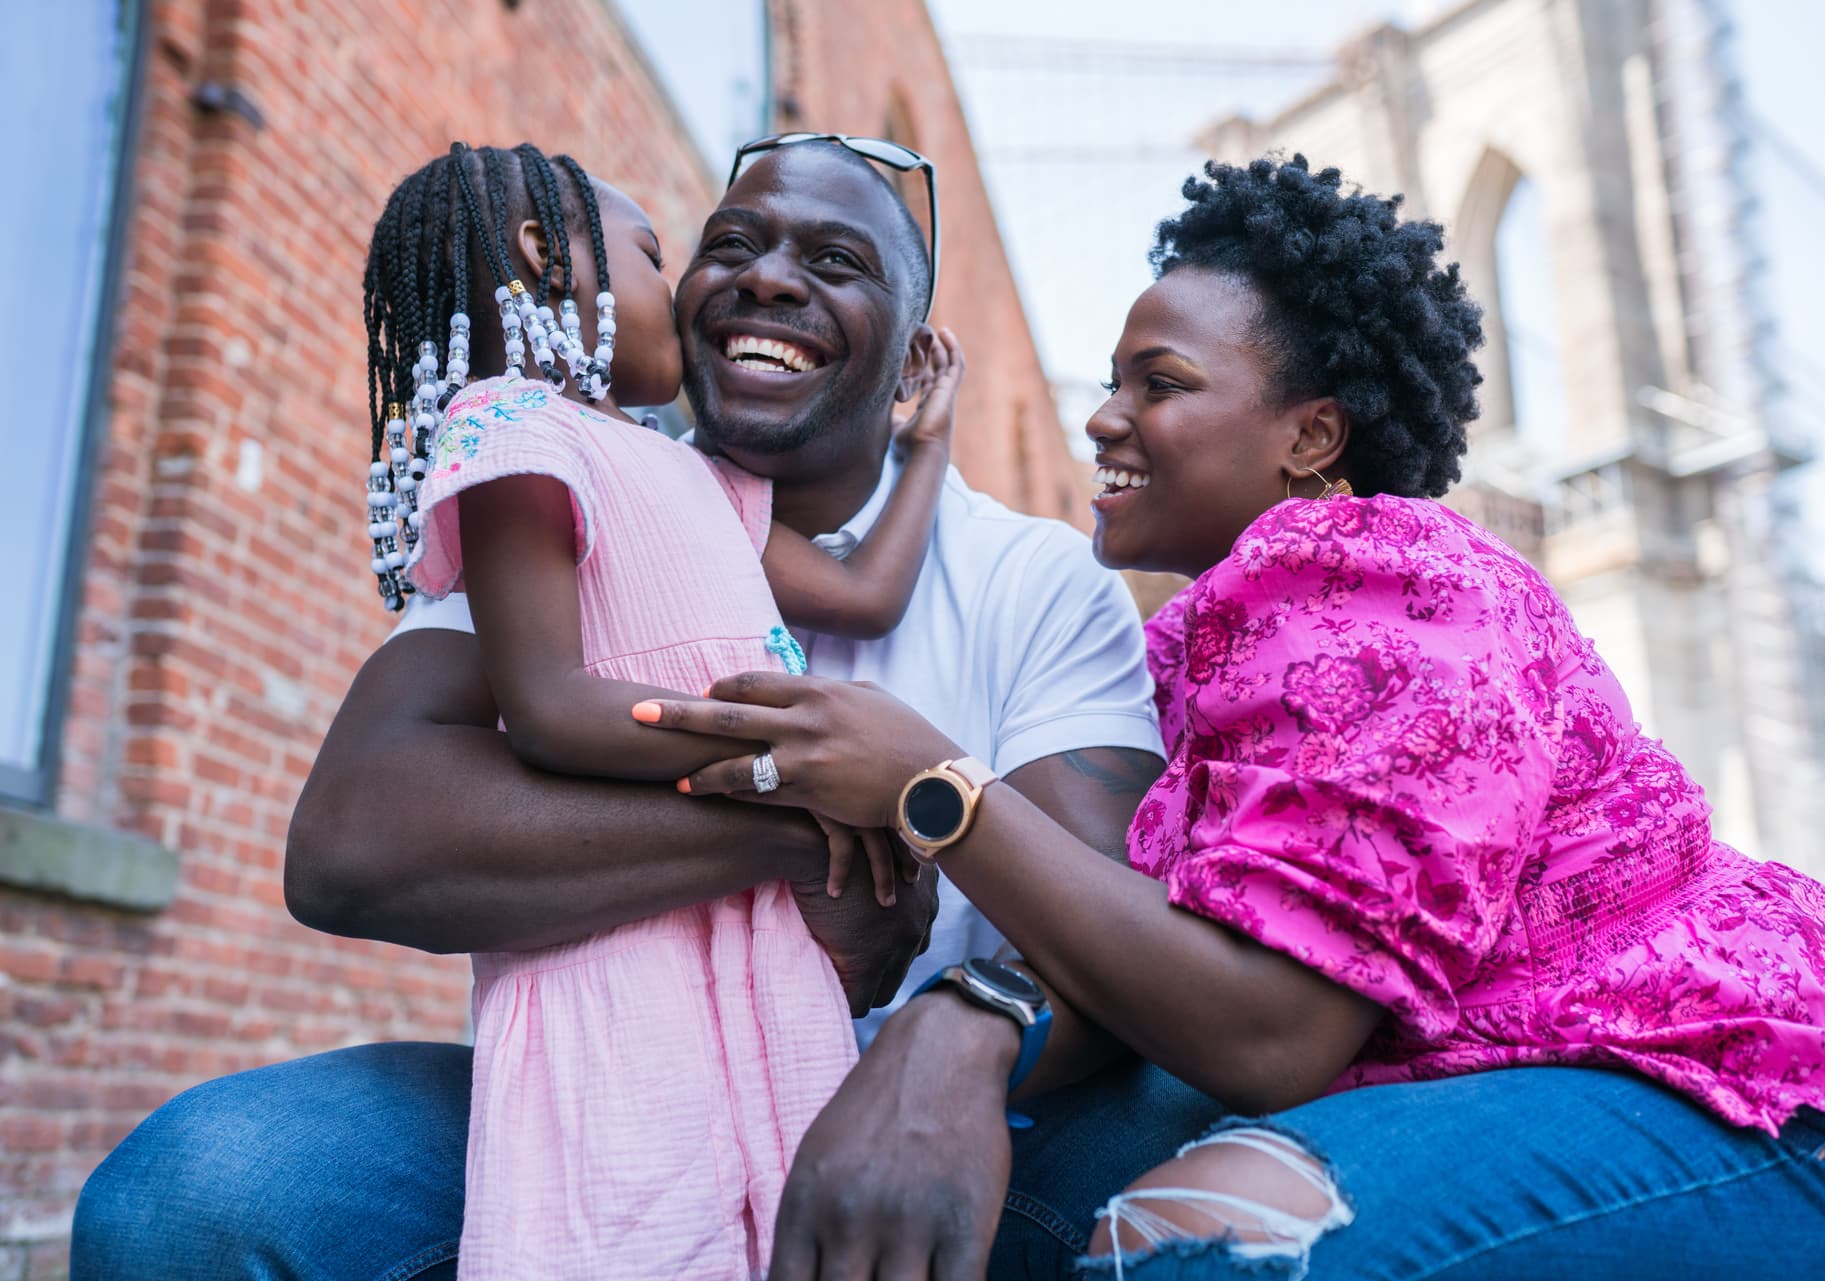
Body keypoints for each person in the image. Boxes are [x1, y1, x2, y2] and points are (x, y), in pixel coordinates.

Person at [635, 154, 1825, 1280]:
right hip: (1537, 1083)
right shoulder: (1217, 636)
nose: (1103, 415)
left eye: (1162, 381)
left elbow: (1273, 1028)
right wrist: (949, 1019)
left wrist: (935, 790)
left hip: (1761, 1098)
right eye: (1113, 378)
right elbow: (1143, 948)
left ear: (1311, 435)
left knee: (1203, 1238)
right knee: (1011, 1212)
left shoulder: (1400, 585)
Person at [69, 135, 1169, 1281]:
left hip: (923, 1106)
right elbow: (351, 844)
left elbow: (1109, 927)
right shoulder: (572, 481)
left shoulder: (1033, 578)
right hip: (619, 1084)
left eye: (837, 260)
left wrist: (959, 1033)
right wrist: (796, 831)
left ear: (910, 364)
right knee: (193, 1193)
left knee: (1189, 1118)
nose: (768, 279)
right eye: (725, 247)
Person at [358, 141, 969, 1279]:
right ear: (549, 260)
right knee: (625, 1221)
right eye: (654, 254)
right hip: (614, 946)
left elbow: (866, 594)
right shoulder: (512, 435)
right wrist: (789, 766)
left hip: (768, 938)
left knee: (782, 1207)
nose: (673, 285)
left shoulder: (698, 476)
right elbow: (547, 707)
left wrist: (923, 443)